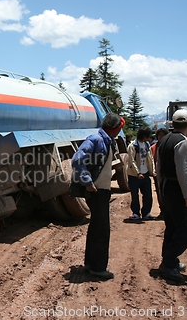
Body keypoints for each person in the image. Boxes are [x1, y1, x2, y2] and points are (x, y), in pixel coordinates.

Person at [71, 112, 125, 280]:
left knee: (96, 228)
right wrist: (87, 181)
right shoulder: (96, 140)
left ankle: (91, 264)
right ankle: (98, 268)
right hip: (97, 191)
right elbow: (77, 160)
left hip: (101, 190)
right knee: (102, 230)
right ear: (115, 129)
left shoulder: (106, 140)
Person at [157, 109, 187, 282]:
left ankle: (168, 260)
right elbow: (183, 170)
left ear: (172, 124)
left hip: (166, 187)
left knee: (172, 226)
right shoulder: (183, 142)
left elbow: (158, 168)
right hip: (177, 189)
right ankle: (169, 262)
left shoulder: (164, 140)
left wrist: (159, 190)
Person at [127, 127, 156, 220]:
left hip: (146, 173)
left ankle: (146, 212)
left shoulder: (147, 145)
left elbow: (150, 159)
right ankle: (135, 213)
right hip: (134, 175)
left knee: (148, 195)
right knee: (135, 195)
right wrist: (138, 173)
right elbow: (131, 160)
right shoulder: (133, 146)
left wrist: (152, 171)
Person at [151, 128, 169, 219]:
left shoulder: (169, 146)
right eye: (159, 135)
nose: (161, 137)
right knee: (159, 192)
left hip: (167, 174)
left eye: (163, 135)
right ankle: (162, 210)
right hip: (157, 174)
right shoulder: (153, 147)